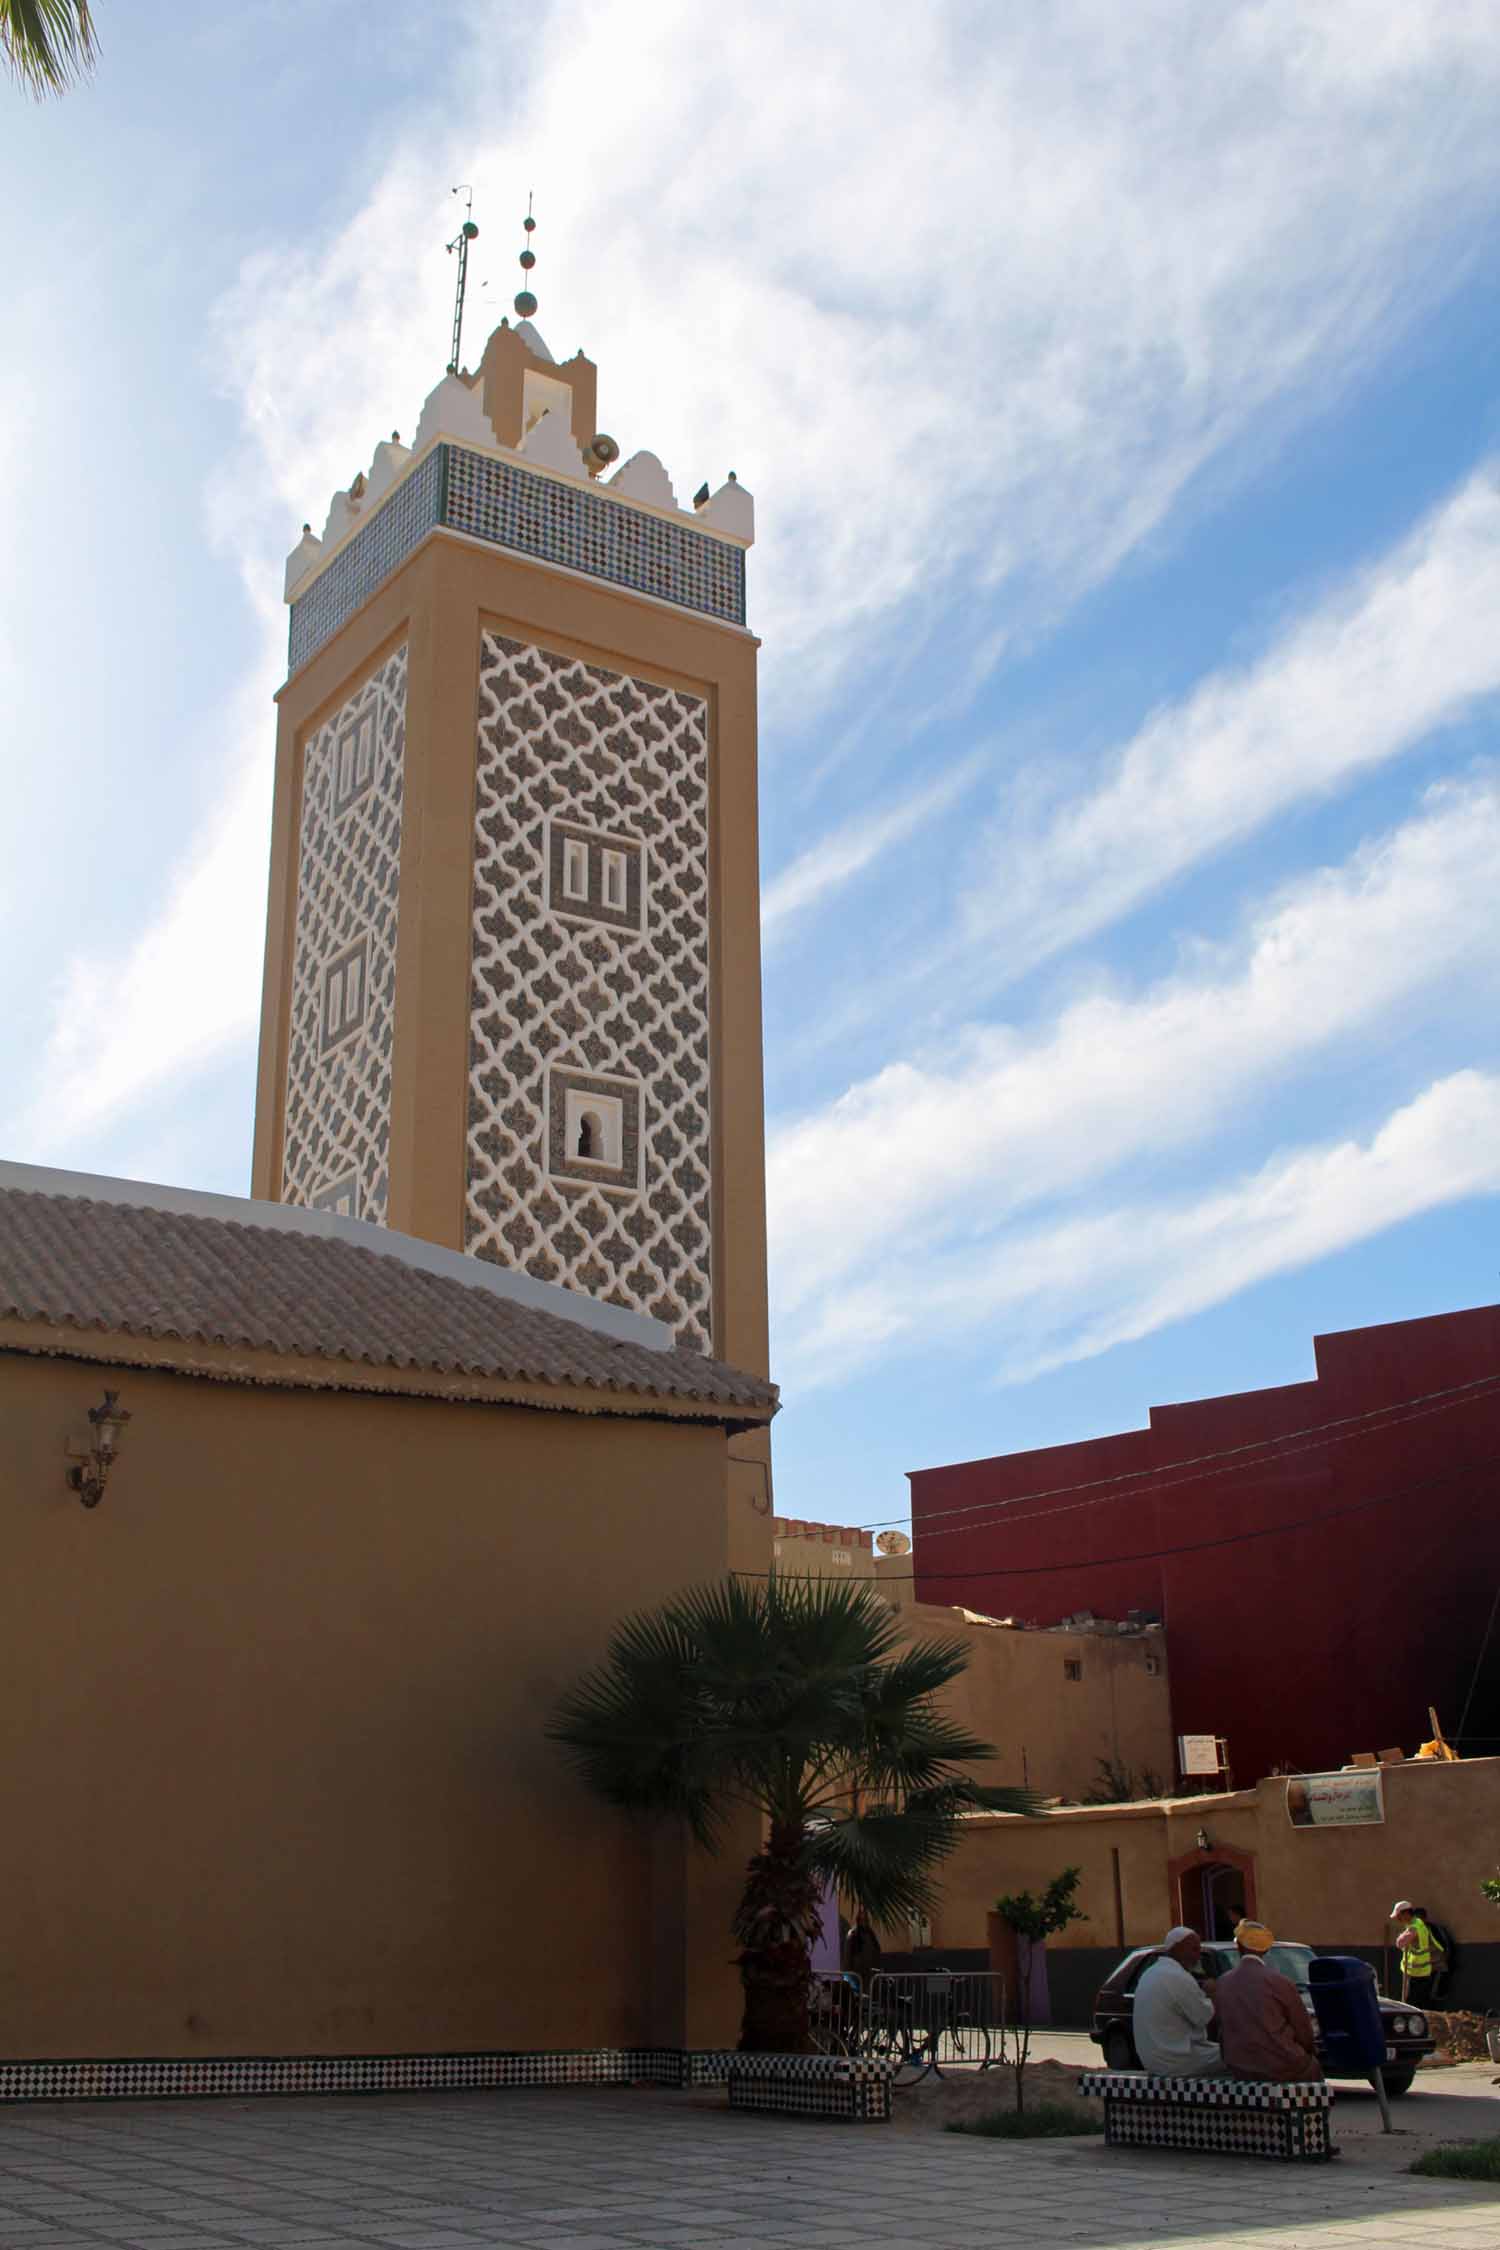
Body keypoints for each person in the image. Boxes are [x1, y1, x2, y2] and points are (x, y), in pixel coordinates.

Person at [1214, 1919, 1322, 2083]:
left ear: (1239, 1946)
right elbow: (1303, 2029)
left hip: (1238, 2066)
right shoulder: (1280, 1982)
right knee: (1313, 2068)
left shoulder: (1223, 1982)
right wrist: (1310, 2051)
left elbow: (1220, 2028)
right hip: (1282, 2065)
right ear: (1266, 1949)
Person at [1132, 1926, 1222, 2077]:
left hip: (1154, 2061)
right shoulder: (1178, 1976)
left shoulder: (1150, 1972)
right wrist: (1212, 1993)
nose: (1198, 1955)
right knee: (1239, 2054)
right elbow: (1204, 2017)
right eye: (1194, 1949)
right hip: (1177, 2062)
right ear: (1176, 1948)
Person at [1390, 1900, 1445, 2009]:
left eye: (1399, 1916)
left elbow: (1400, 1943)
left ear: (1406, 1914)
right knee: (1419, 2001)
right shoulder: (1417, 1922)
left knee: (1412, 2004)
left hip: (1416, 1973)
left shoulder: (1414, 1928)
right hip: (1420, 1971)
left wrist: (1402, 1936)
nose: (1398, 1919)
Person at [844, 1917, 881, 1988]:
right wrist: (848, 1972)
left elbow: (876, 1950)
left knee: (867, 1993)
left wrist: (876, 1967)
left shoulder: (870, 1933)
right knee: (857, 1993)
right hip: (855, 1972)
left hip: (869, 1971)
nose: (865, 1922)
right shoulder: (853, 1933)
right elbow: (847, 1955)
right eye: (862, 1920)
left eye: (866, 1920)